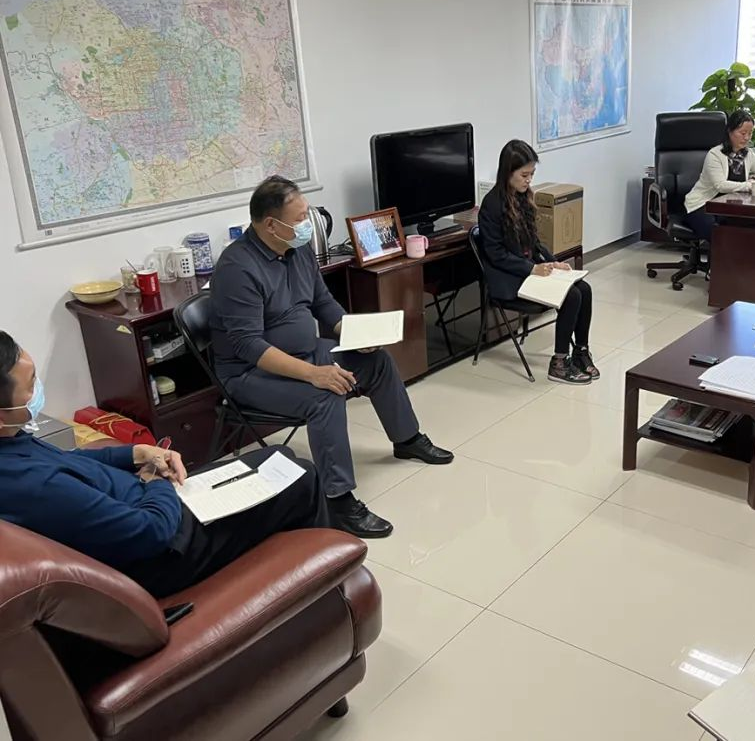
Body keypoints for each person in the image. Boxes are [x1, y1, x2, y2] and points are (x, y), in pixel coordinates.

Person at [210, 175, 453, 540]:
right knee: (325, 395)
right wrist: (313, 374)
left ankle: (407, 439)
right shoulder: (237, 268)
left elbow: (323, 302)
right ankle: (337, 501)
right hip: (249, 374)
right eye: (300, 219)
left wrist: (355, 335)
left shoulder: (296, 249)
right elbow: (248, 346)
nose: (307, 225)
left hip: (305, 352)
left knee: (376, 362)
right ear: (271, 225)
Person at [0, 333, 332, 598]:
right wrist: (155, 479)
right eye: (31, 384)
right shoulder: (32, 486)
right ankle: (331, 590)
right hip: (167, 549)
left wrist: (137, 454)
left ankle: (311, 574)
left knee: (279, 457)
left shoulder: (11, 443)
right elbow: (151, 532)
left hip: (154, 506)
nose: (38, 389)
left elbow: (68, 461)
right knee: (302, 477)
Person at [478, 140, 599, 385]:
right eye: (524, 175)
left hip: (528, 271)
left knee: (584, 289)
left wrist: (554, 262)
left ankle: (581, 352)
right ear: (508, 172)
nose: (529, 180)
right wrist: (532, 268)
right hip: (509, 279)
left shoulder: (522, 198)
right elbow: (496, 255)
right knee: (571, 295)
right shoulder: (492, 206)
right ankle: (559, 363)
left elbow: (534, 243)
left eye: (531, 174)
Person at [681, 109, 755, 242]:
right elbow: (720, 185)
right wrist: (748, 186)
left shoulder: (747, 154)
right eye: (743, 133)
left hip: (729, 206)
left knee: (749, 227)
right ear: (730, 131)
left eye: (750, 133)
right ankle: (721, 256)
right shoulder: (715, 154)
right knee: (719, 235)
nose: (747, 138)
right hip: (702, 205)